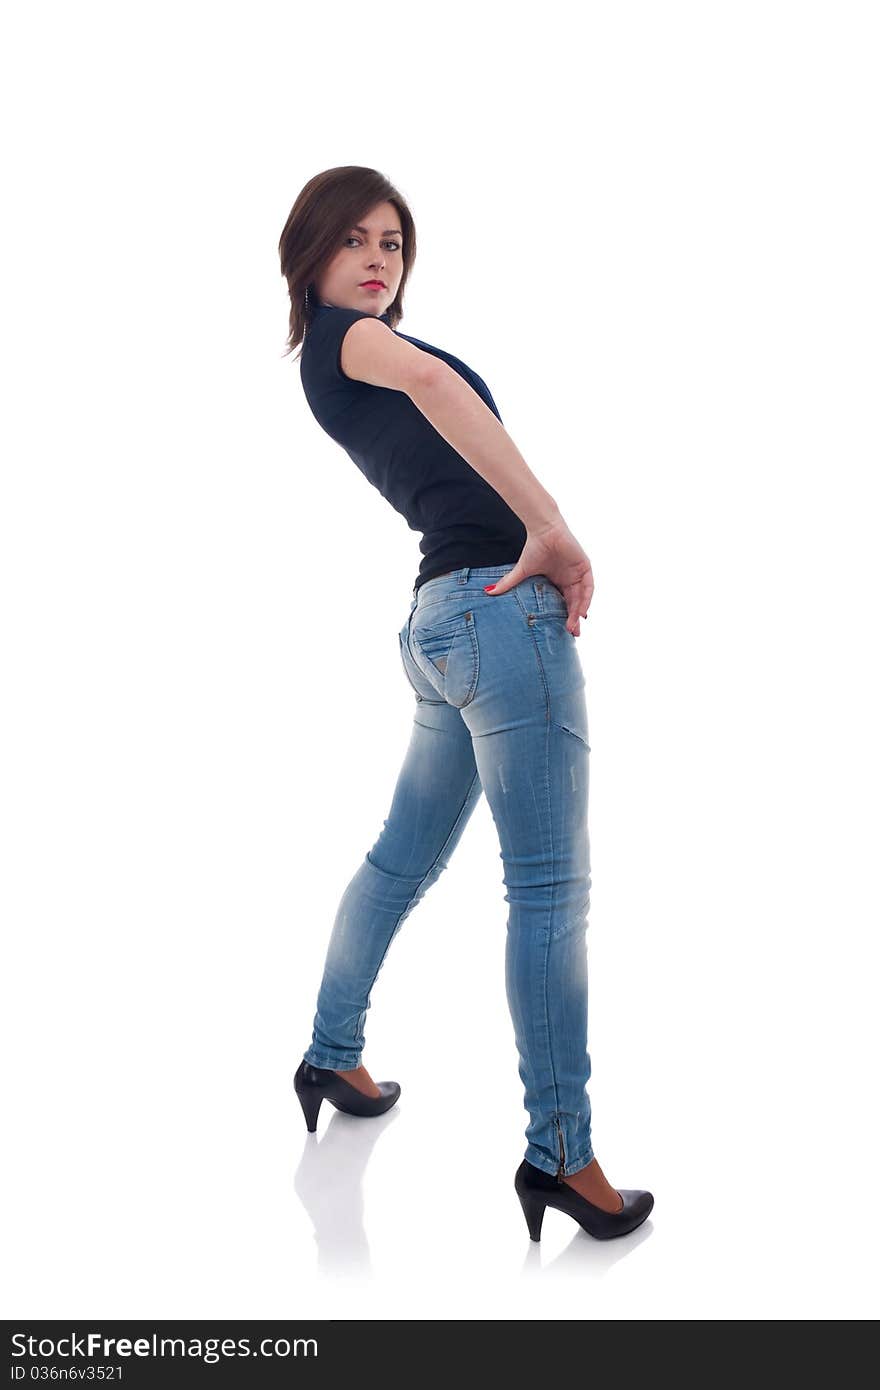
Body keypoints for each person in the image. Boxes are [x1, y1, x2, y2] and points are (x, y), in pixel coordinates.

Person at [278, 166, 653, 1240]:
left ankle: (329, 1051)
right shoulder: (348, 340)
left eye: (393, 241)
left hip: (441, 622)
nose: (378, 257)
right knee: (547, 894)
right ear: (308, 257)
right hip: (496, 614)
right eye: (353, 239)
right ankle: (561, 1155)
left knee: (401, 859)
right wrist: (554, 527)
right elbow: (445, 396)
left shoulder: (338, 357)